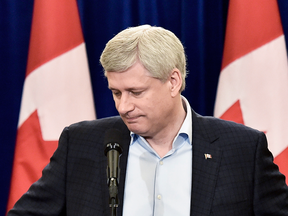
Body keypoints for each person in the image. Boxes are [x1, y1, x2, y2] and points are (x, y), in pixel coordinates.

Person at [8, 25, 288, 216]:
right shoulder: (81, 144)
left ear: (173, 81)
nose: (123, 106)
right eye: (116, 92)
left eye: (136, 92)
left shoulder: (243, 149)